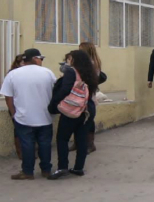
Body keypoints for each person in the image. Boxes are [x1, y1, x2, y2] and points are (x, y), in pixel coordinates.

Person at [0, 49, 56, 180]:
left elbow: (8, 96)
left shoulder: (13, 74)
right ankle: (46, 170)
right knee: (45, 144)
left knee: (27, 145)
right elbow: (56, 91)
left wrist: (14, 113)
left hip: (23, 118)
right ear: (35, 58)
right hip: (45, 117)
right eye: (41, 58)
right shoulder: (48, 73)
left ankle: (27, 172)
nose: (42, 61)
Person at [47, 50, 98, 180]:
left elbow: (65, 89)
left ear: (74, 59)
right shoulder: (91, 72)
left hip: (73, 109)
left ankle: (62, 167)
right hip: (87, 110)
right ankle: (78, 168)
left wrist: (54, 103)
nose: (68, 61)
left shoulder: (71, 71)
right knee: (81, 139)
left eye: (69, 59)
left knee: (62, 138)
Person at [77, 42, 102, 154]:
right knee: (81, 118)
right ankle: (80, 142)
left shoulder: (91, 64)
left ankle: (90, 143)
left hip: (87, 94)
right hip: (86, 93)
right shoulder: (91, 62)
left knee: (88, 119)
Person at [8, 54, 25, 160]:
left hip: (27, 105)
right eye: (22, 62)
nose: (24, 64)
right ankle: (20, 152)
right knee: (18, 130)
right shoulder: (12, 74)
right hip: (16, 105)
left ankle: (29, 151)